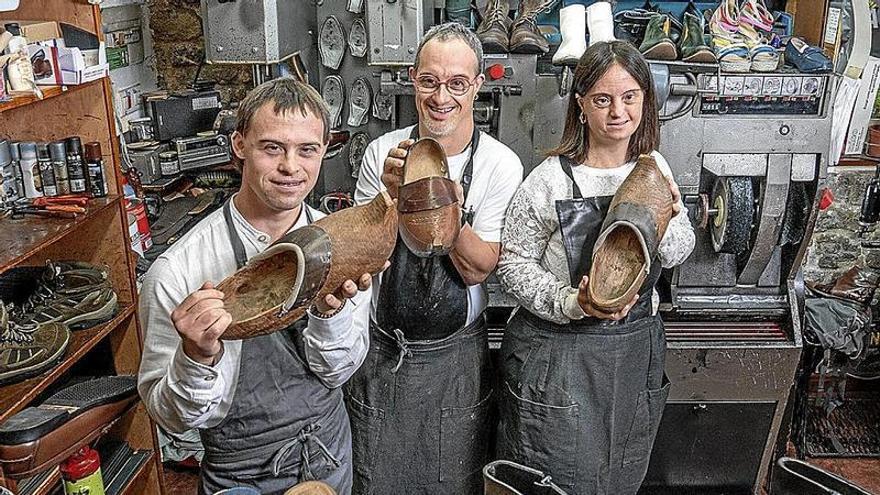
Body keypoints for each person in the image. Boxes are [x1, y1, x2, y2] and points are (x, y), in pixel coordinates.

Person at [138, 78, 374, 495]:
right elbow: (169, 417)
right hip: (239, 473)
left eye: (307, 149)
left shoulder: (346, 250)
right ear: (239, 145)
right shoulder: (178, 271)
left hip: (327, 457)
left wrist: (329, 315)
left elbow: (338, 371)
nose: (291, 167)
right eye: (272, 148)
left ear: (324, 151)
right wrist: (196, 357)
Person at [495, 40, 695, 494]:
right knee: (557, 480)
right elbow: (511, 265)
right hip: (562, 357)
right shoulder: (549, 180)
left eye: (630, 97)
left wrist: (669, 215)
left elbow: (679, 251)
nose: (618, 112)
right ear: (581, 105)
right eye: (603, 99)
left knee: (620, 476)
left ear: (646, 100)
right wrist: (571, 302)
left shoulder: (653, 169)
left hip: (633, 352)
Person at [347, 22, 523, 494]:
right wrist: (390, 199)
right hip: (384, 350)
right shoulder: (382, 154)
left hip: (456, 356)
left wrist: (444, 209)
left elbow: (477, 268)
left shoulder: (500, 164)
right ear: (412, 79)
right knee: (375, 477)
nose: (441, 96)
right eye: (429, 81)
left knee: (453, 479)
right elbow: (364, 257)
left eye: (456, 84)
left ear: (477, 86)